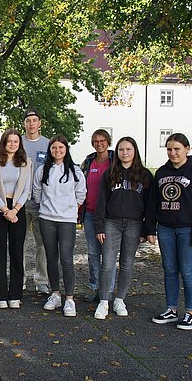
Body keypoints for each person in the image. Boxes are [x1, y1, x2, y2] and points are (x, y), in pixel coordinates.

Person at [146, 133, 192, 331]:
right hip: (165, 228)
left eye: (177, 149)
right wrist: (150, 228)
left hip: (187, 230)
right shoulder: (162, 172)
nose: (173, 153)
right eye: (169, 149)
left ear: (187, 149)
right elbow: (152, 202)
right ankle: (171, 309)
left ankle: (190, 313)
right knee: (170, 270)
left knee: (188, 271)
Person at [93, 137, 152, 320]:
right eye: (121, 150)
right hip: (112, 223)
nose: (124, 153)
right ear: (116, 152)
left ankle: (120, 299)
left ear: (135, 151)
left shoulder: (144, 175)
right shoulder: (110, 174)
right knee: (108, 264)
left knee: (127, 265)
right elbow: (101, 201)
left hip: (134, 224)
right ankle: (104, 301)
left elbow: (150, 205)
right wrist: (99, 226)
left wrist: (147, 230)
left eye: (128, 149)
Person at [33, 135, 86, 317]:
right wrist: (47, 207)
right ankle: (55, 294)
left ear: (66, 150)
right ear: (50, 150)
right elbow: (37, 191)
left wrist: (70, 208)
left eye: (60, 148)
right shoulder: (42, 170)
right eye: (54, 148)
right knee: (51, 257)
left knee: (66, 258)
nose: (57, 151)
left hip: (67, 220)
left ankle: (69, 298)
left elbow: (81, 193)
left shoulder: (75, 171)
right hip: (47, 218)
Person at [0, 129, 32, 309]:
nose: (12, 144)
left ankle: (15, 294)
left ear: (19, 144)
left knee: (16, 251)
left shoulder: (26, 163)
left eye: (16, 141)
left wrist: (15, 210)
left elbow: (27, 189)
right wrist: (6, 210)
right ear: (4, 143)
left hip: (18, 208)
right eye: (9, 141)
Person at [80, 129, 116, 303]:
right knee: (93, 253)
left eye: (102, 140)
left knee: (108, 253)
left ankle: (108, 290)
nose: (99, 143)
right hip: (90, 213)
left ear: (108, 142)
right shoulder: (88, 162)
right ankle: (95, 287)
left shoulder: (115, 160)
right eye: (95, 141)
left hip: (110, 215)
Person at [21, 110, 51, 295]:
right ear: (24, 124)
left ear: (40, 123)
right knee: (20, 242)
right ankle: (20, 278)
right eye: (28, 121)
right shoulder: (18, 143)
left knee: (43, 243)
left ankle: (41, 279)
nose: (31, 124)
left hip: (41, 202)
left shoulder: (48, 144)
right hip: (21, 202)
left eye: (34, 121)